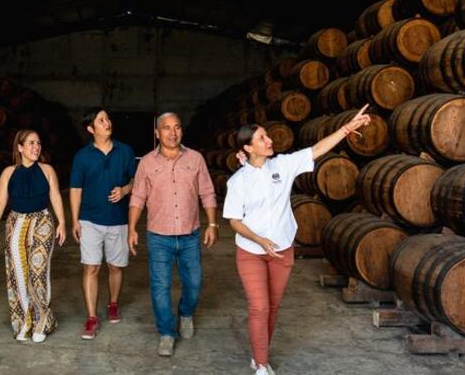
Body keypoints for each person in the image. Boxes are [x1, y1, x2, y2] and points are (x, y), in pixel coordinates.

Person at [224, 105, 371, 375]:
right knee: (259, 307)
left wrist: (346, 128)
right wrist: (259, 239)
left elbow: (317, 149)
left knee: (273, 307)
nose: (270, 141)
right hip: (251, 251)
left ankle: (260, 355)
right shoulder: (238, 181)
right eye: (262, 139)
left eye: (268, 136)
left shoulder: (283, 165)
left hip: (282, 250)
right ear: (247, 148)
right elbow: (233, 220)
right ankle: (261, 364)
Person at [128, 111, 218, 357]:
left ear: (182, 131)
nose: (172, 132)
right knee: (160, 286)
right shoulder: (146, 162)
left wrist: (212, 224)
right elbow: (137, 197)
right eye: (166, 128)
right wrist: (132, 228)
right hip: (159, 236)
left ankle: (186, 313)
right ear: (157, 133)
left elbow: (207, 193)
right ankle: (167, 332)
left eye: (177, 127)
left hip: (190, 235)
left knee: (195, 283)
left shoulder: (196, 158)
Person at [0, 130, 67, 343]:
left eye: (38, 143)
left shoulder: (47, 170)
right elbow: (1, 201)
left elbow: (56, 196)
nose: (36, 147)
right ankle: (25, 321)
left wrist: (62, 223)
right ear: (20, 147)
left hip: (42, 221)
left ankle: (42, 320)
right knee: (19, 273)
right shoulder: (8, 172)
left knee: (38, 271)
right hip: (16, 222)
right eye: (31, 143)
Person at [69, 107, 138, 339]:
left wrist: (125, 189)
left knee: (116, 267)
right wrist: (75, 220)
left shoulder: (125, 151)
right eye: (101, 120)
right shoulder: (82, 156)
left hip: (118, 219)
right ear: (91, 129)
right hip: (90, 219)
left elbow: (136, 180)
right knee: (91, 267)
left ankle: (113, 304)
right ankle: (91, 318)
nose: (107, 122)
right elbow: (76, 189)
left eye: (108, 118)